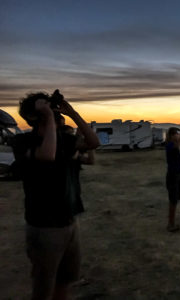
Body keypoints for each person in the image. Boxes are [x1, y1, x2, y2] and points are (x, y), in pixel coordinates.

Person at [12, 91, 100, 300]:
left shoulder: (65, 139)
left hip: (69, 222)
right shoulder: (22, 141)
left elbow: (93, 143)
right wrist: (49, 117)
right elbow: (48, 154)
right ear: (33, 117)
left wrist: (72, 112)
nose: (52, 111)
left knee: (64, 282)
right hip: (44, 227)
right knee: (43, 289)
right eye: (46, 108)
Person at [165, 127, 180, 232]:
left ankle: (172, 223)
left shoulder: (175, 146)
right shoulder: (170, 145)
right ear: (172, 135)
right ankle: (170, 225)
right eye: (176, 134)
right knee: (173, 201)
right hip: (172, 176)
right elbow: (176, 146)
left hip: (177, 175)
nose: (178, 135)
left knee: (175, 200)